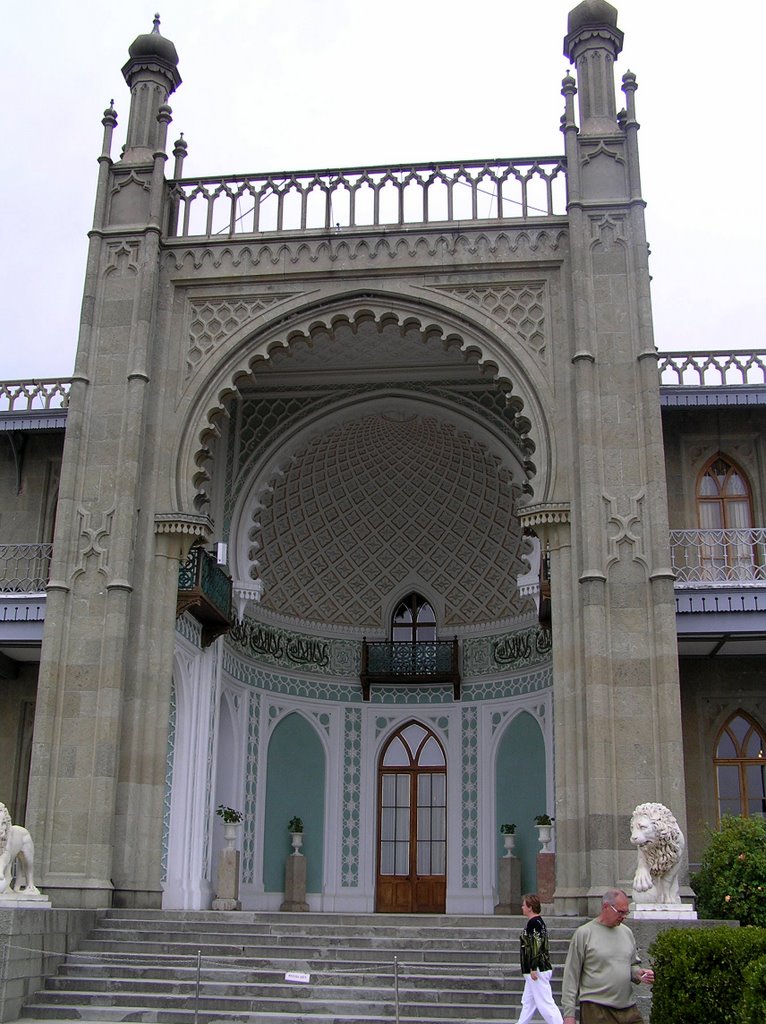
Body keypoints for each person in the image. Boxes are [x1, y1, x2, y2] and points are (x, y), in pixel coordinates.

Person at [561, 888, 654, 1024]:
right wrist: (569, 1015)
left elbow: (631, 964)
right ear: (606, 907)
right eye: (620, 912)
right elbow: (571, 975)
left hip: (628, 1008)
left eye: (626, 912)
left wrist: (639, 973)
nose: (623, 916)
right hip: (596, 1009)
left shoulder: (626, 932)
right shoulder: (584, 934)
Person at [516, 892, 564, 1024]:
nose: (522, 907)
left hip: (537, 969)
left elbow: (536, 945)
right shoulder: (537, 922)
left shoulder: (534, 923)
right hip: (536, 968)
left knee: (545, 1004)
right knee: (528, 1002)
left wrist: (533, 967)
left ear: (530, 907)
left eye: (524, 905)